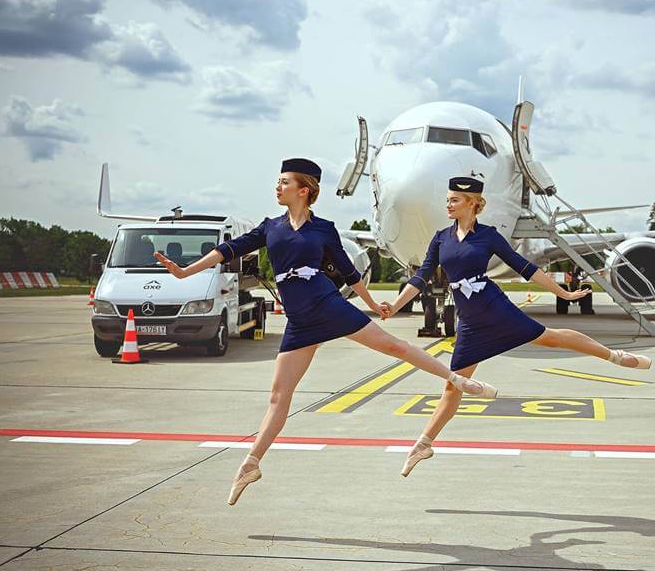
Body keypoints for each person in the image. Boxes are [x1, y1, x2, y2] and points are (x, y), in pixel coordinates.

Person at [153, 159, 496, 505]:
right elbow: (228, 249)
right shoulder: (269, 227)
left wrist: (374, 304)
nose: (277, 187)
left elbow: (349, 273)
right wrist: (185, 272)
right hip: (300, 321)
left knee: (394, 347)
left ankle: (460, 381)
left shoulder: (324, 229)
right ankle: (251, 464)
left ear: (303, 190)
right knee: (278, 396)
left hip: (327, 305)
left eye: (283, 182)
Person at [380, 176, 652, 477]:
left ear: (472, 203)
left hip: (494, 307)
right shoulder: (441, 238)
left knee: (551, 339)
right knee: (453, 384)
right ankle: (423, 444)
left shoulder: (488, 236)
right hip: (469, 320)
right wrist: (395, 305)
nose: (448, 204)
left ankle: (615, 356)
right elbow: (421, 278)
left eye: (454, 199)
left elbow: (527, 268)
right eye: (448, 199)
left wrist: (562, 293)